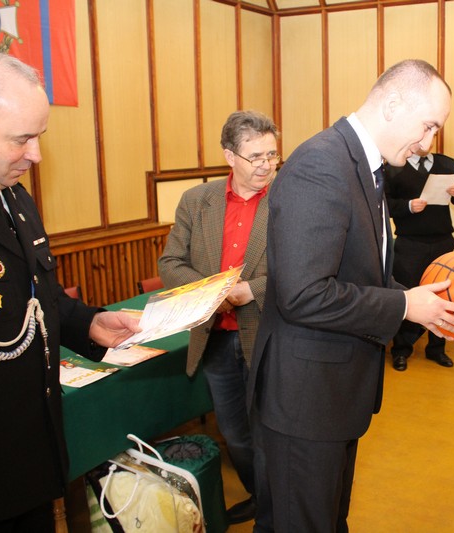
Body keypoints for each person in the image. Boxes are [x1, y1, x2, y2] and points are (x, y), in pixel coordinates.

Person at [247, 59, 454, 533]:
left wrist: (417, 303)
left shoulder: (365, 167)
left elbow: (359, 274)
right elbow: (304, 294)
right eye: (428, 126)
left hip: (333, 398)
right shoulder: (321, 164)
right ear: (392, 104)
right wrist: (405, 305)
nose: (428, 143)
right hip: (304, 402)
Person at [0, 53, 140, 531]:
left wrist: (87, 323)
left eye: (39, 137)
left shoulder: (12, 194)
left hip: (31, 451)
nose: (35, 155)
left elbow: (33, 294)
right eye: (21, 139)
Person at [158, 110, 276, 529]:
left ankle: (278, 512)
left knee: (272, 434)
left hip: (270, 339)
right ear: (229, 156)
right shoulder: (197, 200)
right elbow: (170, 263)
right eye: (255, 156)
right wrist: (215, 293)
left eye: (272, 154)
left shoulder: (289, 200)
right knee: (236, 436)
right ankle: (261, 499)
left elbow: (304, 271)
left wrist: (251, 290)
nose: (266, 165)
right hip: (215, 340)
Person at [384, 146, 454, 370]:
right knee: (408, 294)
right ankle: (401, 349)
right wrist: (407, 206)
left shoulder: (447, 164)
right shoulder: (395, 165)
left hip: (443, 242)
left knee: (443, 296)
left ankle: (437, 348)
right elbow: (384, 204)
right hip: (409, 244)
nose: (426, 141)